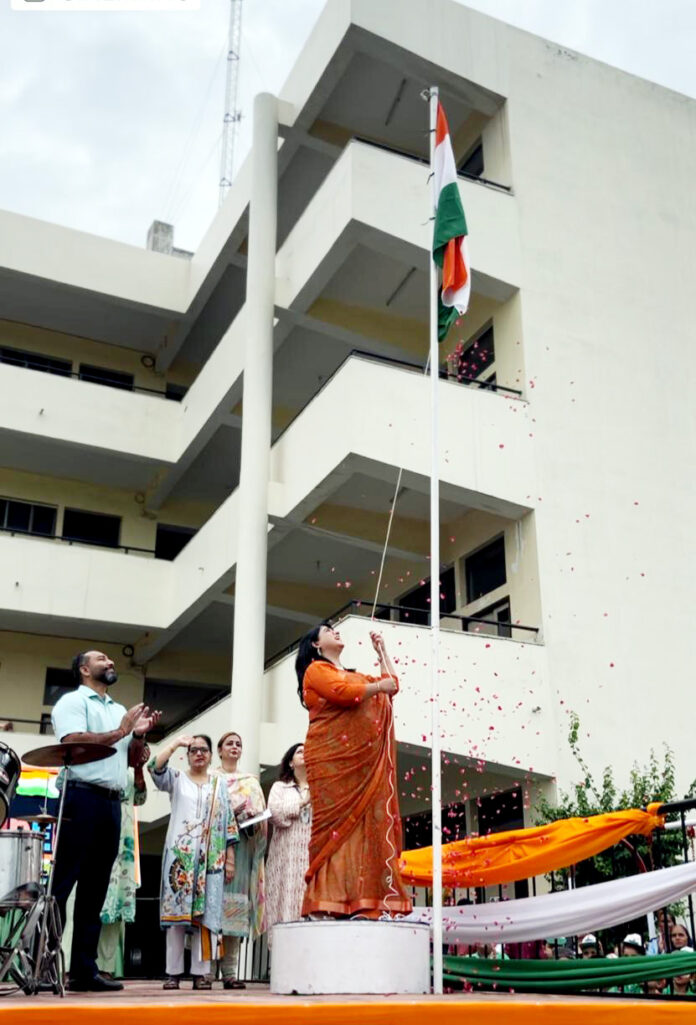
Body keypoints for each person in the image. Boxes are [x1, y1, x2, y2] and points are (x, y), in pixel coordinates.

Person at [51, 650, 160, 992]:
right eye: (102, 659)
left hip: (113, 803)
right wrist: (120, 731)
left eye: (111, 659)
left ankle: (83, 970)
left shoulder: (117, 710)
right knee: (62, 886)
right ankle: (45, 965)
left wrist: (138, 735)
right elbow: (73, 742)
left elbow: (128, 759)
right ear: (84, 669)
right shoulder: (72, 702)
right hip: (80, 796)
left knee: (95, 890)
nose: (111, 661)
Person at [296, 622, 412, 918]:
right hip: (332, 761)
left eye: (336, 628)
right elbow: (343, 693)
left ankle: (363, 901)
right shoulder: (316, 671)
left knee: (366, 827)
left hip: (364, 765)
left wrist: (381, 651)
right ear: (315, 644)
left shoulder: (356, 674)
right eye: (327, 630)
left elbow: (392, 685)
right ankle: (327, 901)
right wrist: (377, 687)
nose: (335, 631)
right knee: (334, 832)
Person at [149, 733, 238, 990]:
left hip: (211, 861)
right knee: (176, 919)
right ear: (187, 755)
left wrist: (229, 859)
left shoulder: (219, 785)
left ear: (211, 755)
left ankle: (201, 974)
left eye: (204, 750)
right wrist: (175, 743)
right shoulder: (177, 780)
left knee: (207, 919)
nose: (199, 754)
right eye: (194, 750)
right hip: (181, 861)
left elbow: (228, 823)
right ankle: (173, 973)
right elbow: (155, 767)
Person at [216, 731, 267, 989]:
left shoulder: (251, 782)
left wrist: (249, 818)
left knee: (234, 910)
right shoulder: (212, 780)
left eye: (238, 744)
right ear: (220, 750)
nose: (234, 747)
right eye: (229, 744)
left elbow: (261, 822)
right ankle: (201, 973)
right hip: (214, 851)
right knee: (209, 911)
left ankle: (230, 973)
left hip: (243, 849)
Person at [97, 747, 149, 979]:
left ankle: (105, 967)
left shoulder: (129, 771)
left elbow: (140, 797)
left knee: (115, 904)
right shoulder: (96, 762)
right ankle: (71, 964)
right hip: (96, 829)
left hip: (124, 841)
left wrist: (138, 767)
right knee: (85, 900)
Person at [265, 743, 312, 943]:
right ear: (291, 762)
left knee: (309, 905)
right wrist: (302, 802)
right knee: (284, 903)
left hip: (311, 856)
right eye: (300, 751)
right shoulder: (280, 787)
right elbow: (275, 814)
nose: (305, 753)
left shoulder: (320, 787)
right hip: (286, 858)